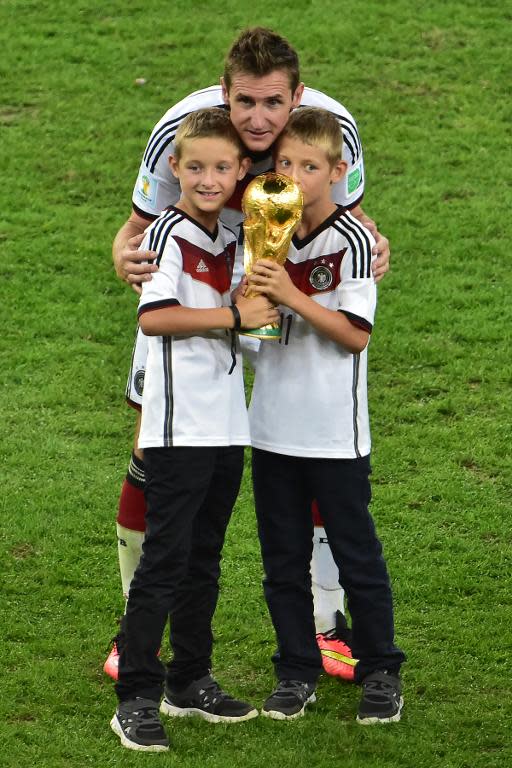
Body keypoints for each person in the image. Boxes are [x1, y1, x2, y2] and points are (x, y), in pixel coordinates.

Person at [106, 26, 390, 682]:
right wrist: (120, 253)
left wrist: (376, 243)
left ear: (297, 95)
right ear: (224, 92)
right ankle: (133, 625)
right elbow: (134, 232)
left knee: (315, 446)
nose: (259, 121)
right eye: (245, 104)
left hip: (288, 293)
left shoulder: (331, 129)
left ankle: (327, 626)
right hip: (197, 294)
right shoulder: (181, 126)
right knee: (157, 449)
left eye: (274, 104)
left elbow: (351, 220)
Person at [110, 108, 279, 752]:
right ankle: (136, 697)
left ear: (240, 174)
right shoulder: (165, 235)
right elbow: (155, 319)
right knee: (166, 558)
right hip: (179, 423)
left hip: (226, 421)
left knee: (204, 557)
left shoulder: (234, 238)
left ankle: (189, 680)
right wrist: (236, 314)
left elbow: (249, 321)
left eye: (222, 168)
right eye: (196, 167)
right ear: (174, 169)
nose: (209, 179)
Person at [247, 107, 405, 724]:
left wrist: (290, 295)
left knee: (356, 555)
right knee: (280, 562)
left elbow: (354, 336)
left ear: (338, 172)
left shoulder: (355, 242)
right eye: (284, 163)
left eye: (309, 166)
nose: (293, 174)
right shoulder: (264, 230)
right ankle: (295, 671)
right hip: (272, 430)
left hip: (336, 434)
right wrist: (253, 302)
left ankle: (381, 672)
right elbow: (255, 329)